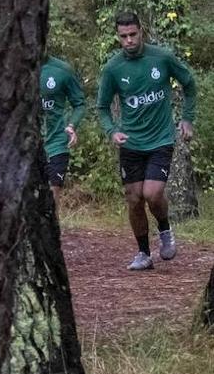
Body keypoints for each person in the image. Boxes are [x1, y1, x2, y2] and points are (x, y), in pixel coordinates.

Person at [96, 13, 196, 271]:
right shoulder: (113, 68)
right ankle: (143, 253)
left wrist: (187, 119)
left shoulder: (161, 57)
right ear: (118, 37)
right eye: (123, 36)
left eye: (133, 34)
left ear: (142, 32)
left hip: (161, 138)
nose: (129, 40)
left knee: (152, 194)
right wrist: (111, 131)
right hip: (131, 142)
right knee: (134, 198)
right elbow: (103, 107)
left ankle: (165, 230)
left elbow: (189, 84)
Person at [39, 54, 86, 199]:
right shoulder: (13, 68)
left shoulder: (62, 70)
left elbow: (79, 104)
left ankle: (53, 220)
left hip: (56, 143)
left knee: (52, 197)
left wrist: (72, 125)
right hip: (26, 146)